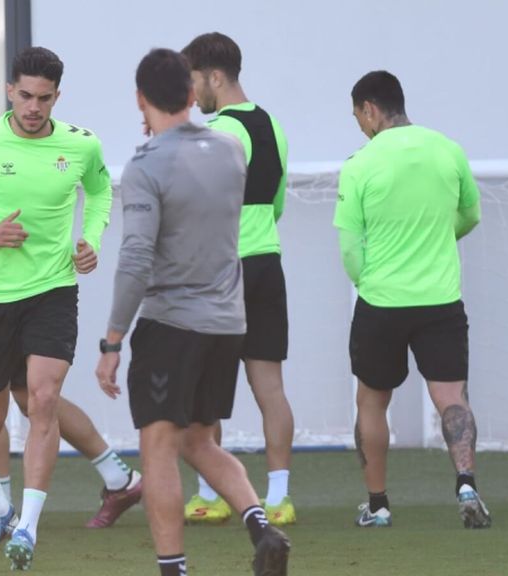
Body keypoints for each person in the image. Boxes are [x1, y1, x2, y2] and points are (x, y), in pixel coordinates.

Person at [96, 48, 291, 576]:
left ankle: (172, 568)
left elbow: (135, 260)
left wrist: (113, 340)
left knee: (158, 448)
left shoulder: (146, 165)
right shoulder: (230, 151)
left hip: (171, 326)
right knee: (199, 440)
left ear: (141, 99)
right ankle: (259, 523)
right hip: (227, 323)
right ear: (191, 93)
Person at [0, 46, 115, 570]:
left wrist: (90, 238)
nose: (34, 107)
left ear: (58, 96)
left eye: (45, 98)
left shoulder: (81, 144)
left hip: (53, 291)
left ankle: (27, 527)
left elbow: (99, 192)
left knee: (44, 400)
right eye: (26, 96)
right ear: (10, 90)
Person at [333, 70, 489, 529]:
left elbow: (348, 247)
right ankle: (466, 486)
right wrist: (439, 239)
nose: (360, 126)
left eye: (358, 116)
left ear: (370, 110)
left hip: (381, 301)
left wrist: (368, 280)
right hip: (440, 298)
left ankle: (378, 505)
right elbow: (470, 215)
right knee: (452, 398)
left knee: (371, 403)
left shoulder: (359, 163)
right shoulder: (447, 149)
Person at [181, 31, 296, 526]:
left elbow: (207, 205)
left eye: (193, 82)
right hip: (267, 261)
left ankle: (210, 494)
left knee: (205, 388)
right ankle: (279, 498)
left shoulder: (221, 130)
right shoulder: (274, 124)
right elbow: (277, 204)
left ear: (214, 76)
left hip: (226, 267)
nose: (192, 94)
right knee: (270, 387)